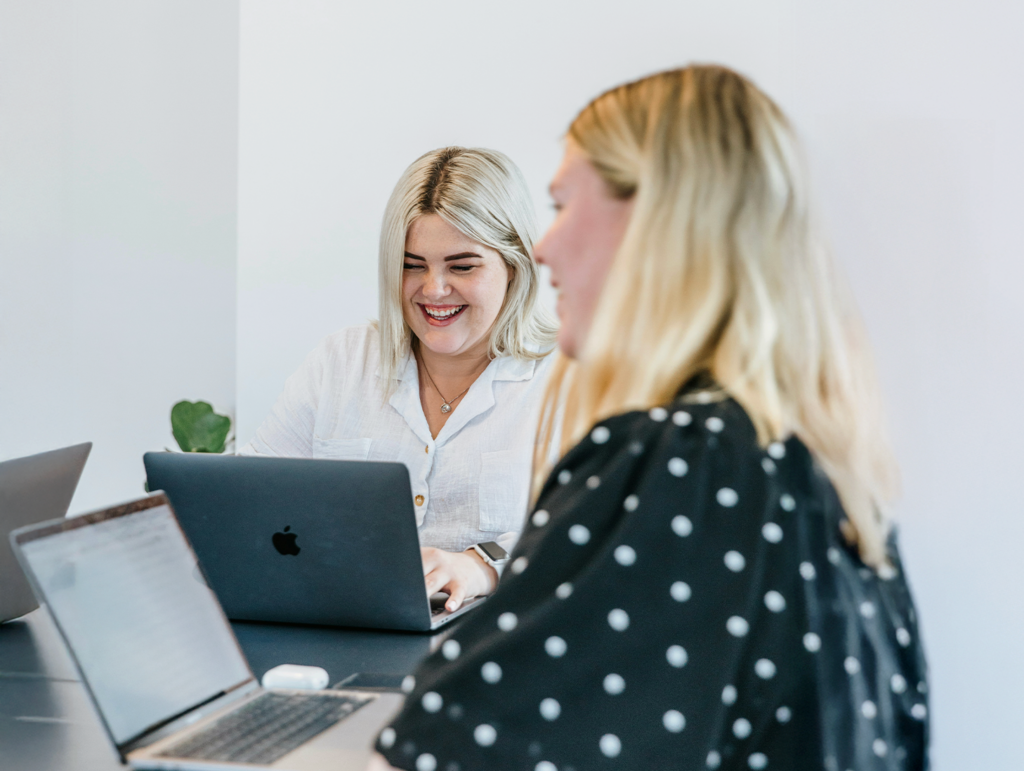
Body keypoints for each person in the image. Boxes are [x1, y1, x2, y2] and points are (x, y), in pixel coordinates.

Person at [370, 66, 928, 770]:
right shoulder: (821, 467)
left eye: (564, 204)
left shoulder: (678, 460)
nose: (543, 248)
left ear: (657, 218)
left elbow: (448, 747)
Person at [241, 147, 557, 611]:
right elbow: (249, 494)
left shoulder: (570, 378)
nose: (433, 289)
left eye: (462, 266)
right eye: (413, 265)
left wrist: (483, 565)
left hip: (493, 646)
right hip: (338, 629)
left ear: (516, 263)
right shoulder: (341, 362)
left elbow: (598, 530)